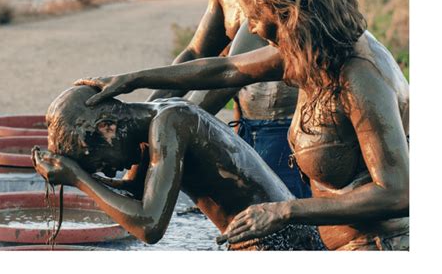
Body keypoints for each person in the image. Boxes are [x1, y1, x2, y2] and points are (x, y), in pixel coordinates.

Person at [76, 0, 409, 251]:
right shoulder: (314, 49)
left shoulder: (360, 74)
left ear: (291, 12)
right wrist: (132, 79)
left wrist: (286, 211)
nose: (253, 30)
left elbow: (396, 192)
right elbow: (226, 69)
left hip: (382, 247)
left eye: (259, 19)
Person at [146, 0, 309, 198]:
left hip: (291, 131)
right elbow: (195, 52)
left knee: (287, 231)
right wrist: (147, 111)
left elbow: (231, 72)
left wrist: (171, 128)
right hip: (248, 127)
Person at [32, 85, 324, 251]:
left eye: (99, 163)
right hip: (259, 242)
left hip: (279, 244)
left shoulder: (170, 122)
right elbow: (135, 195)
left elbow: (149, 226)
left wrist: (79, 178)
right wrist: (74, 174)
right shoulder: (148, 122)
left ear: (107, 129)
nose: (108, 173)